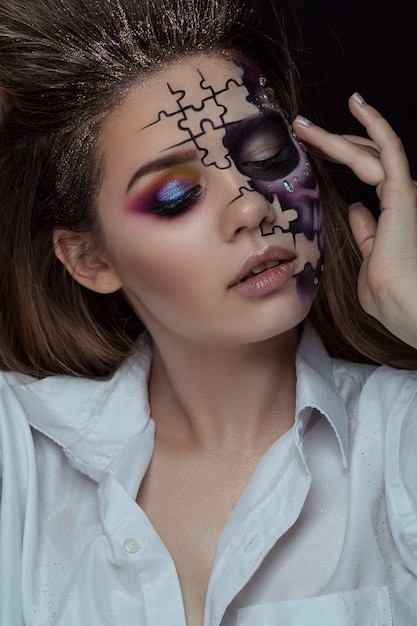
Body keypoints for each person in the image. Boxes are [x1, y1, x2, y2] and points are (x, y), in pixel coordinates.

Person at [0, 0, 416, 624]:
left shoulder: (400, 436)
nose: (250, 207)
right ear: (89, 259)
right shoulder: (20, 453)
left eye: (268, 155)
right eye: (175, 195)